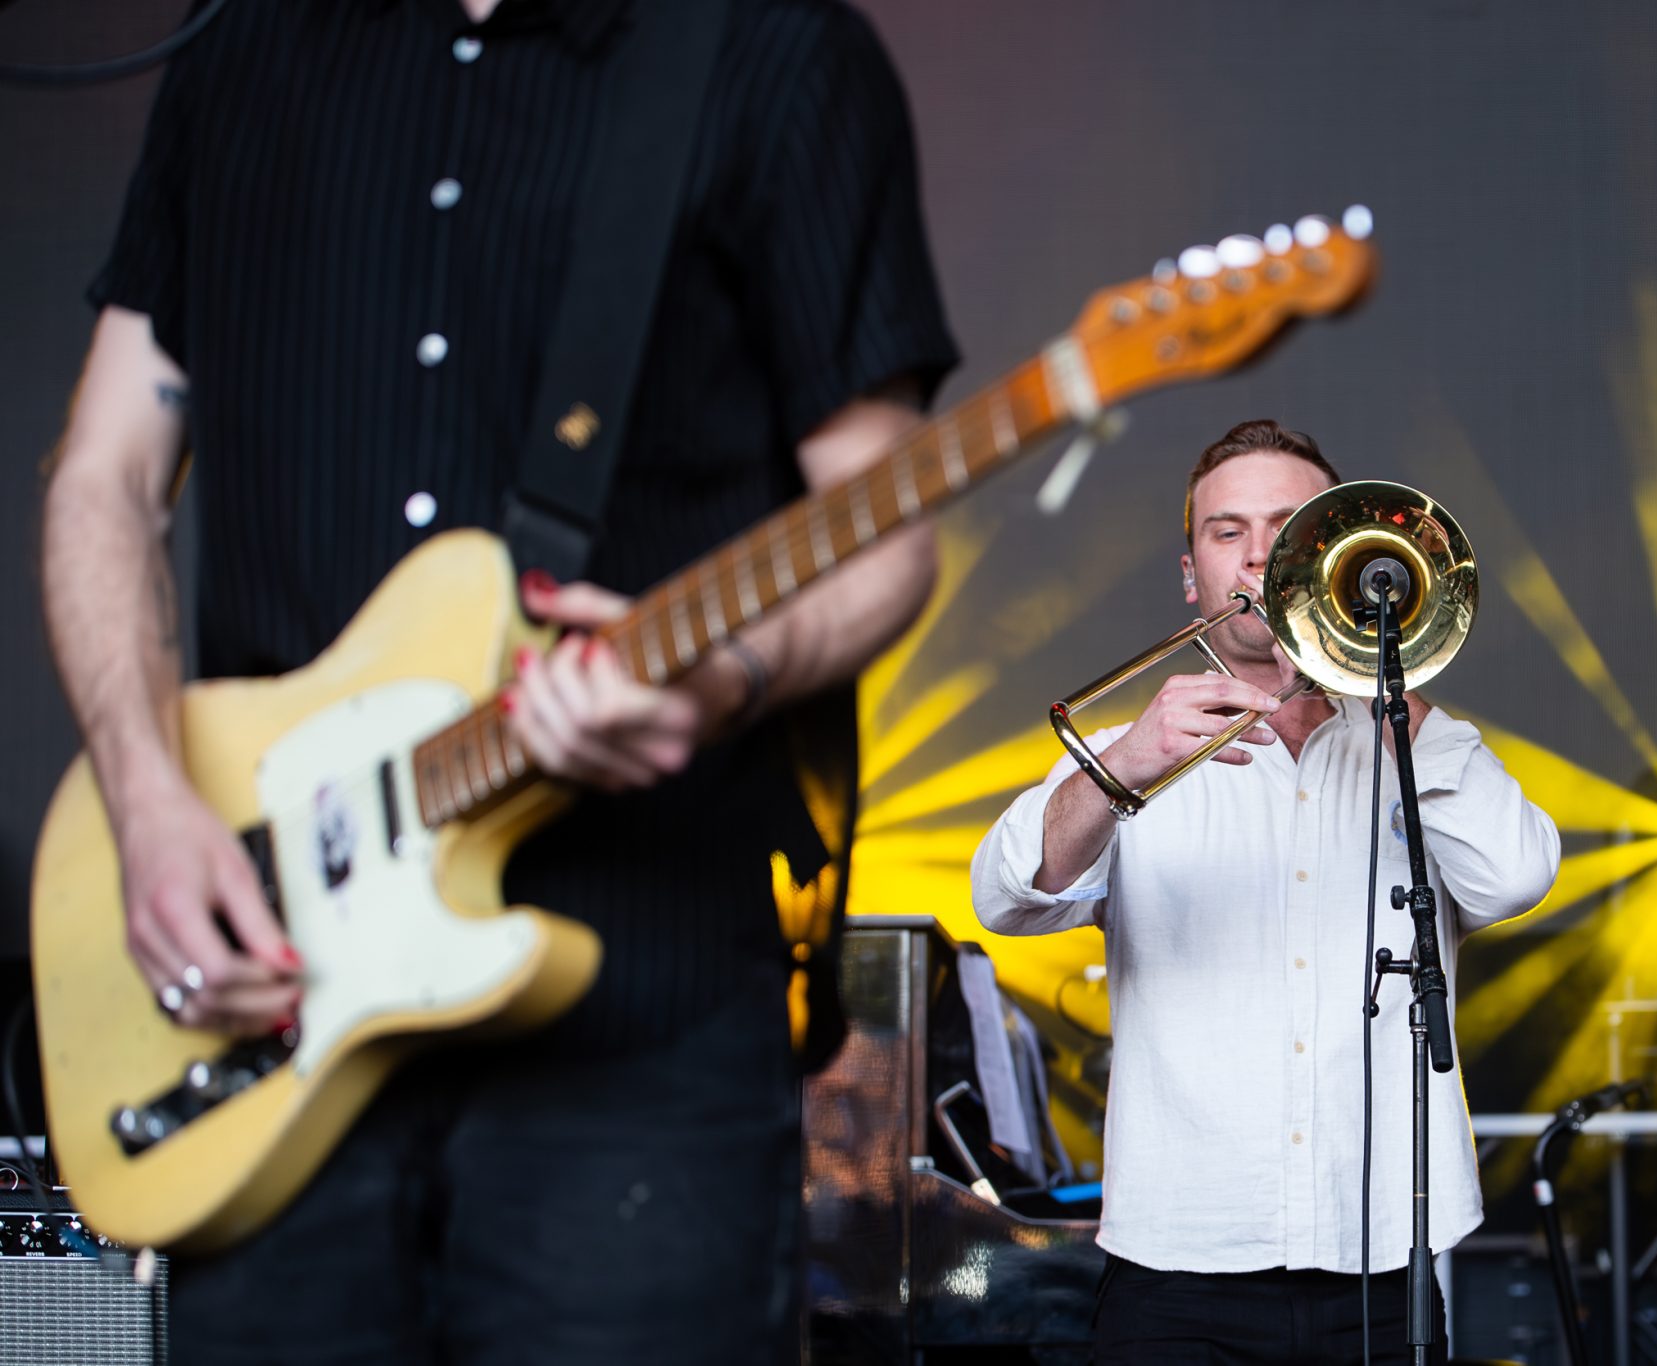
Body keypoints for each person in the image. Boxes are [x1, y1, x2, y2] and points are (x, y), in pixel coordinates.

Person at [40, 0, 957, 1360]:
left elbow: (886, 528)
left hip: (640, 1021)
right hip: (278, 1006)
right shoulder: (241, 50)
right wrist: (147, 802)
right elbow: (104, 473)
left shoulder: (773, 50)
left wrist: (725, 677)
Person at [970, 419, 1560, 1365]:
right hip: (1175, 1275)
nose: (1256, 554)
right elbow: (1006, 896)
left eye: (1285, 527)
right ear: (1192, 576)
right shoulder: (1141, 747)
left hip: (1381, 1271)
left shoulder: (1420, 741)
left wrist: (1387, 692)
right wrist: (1125, 762)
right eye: (1227, 530)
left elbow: (1517, 876)